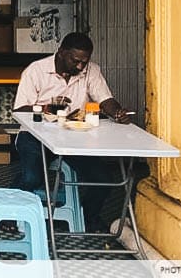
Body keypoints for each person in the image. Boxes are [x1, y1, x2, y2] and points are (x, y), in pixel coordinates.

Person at [12, 31, 132, 232]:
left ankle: (87, 217)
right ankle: (10, 211)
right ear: (61, 53)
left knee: (103, 179)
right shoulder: (36, 71)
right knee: (33, 177)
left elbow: (105, 100)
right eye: (75, 61)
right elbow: (20, 110)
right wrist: (47, 108)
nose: (80, 67)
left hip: (74, 138)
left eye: (84, 62)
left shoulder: (91, 71)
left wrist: (117, 112)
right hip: (34, 136)